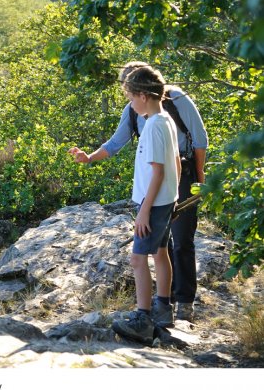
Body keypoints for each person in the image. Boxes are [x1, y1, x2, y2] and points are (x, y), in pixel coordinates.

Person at [68, 62, 207, 322]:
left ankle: (182, 302)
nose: (128, 99)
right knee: (164, 248)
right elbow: (115, 143)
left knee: (180, 242)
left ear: (141, 90)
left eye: (130, 92)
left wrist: (199, 182)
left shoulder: (175, 102)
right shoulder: (140, 112)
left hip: (181, 179)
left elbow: (199, 141)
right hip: (165, 184)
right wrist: (89, 158)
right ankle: (165, 305)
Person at [104, 66, 180, 342]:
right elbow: (175, 165)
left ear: (144, 95)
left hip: (154, 204)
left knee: (138, 259)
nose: (130, 103)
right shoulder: (165, 120)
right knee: (160, 252)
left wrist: (144, 211)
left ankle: (143, 318)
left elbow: (158, 172)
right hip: (165, 200)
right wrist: (174, 196)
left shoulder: (152, 127)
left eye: (131, 97)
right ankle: (163, 310)